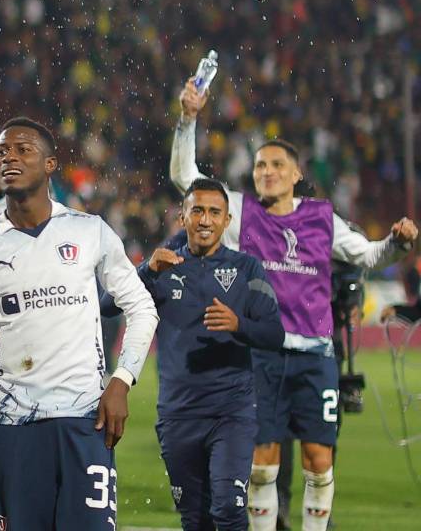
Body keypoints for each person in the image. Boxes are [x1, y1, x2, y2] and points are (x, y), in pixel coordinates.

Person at [172, 80, 418, 531]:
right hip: (260, 356)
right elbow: (186, 179)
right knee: (262, 464)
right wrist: (188, 119)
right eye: (261, 164)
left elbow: (368, 255)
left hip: (315, 357)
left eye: (277, 165)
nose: (266, 171)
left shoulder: (322, 218)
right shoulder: (241, 213)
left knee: (319, 461)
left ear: (295, 174)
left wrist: (397, 245)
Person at [0, 118, 159, 530]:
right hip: (11, 430)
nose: (10, 157)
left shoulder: (89, 231)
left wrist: (122, 379)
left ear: (51, 164)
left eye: (23, 150)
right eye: (2, 151)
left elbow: (142, 308)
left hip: (85, 421)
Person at [121, 178, 285, 530]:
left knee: (227, 508)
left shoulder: (247, 269)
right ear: (183, 217)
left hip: (232, 412)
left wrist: (239, 324)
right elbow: (107, 305)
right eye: (197, 210)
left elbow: (274, 334)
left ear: (227, 221)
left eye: (215, 212)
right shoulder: (163, 267)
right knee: (194, 518)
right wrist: (146, 271)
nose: (205, 220)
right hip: (178, 415)